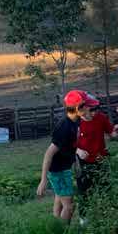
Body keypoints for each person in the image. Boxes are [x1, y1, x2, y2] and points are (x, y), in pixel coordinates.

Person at [37, 90, 85, 222]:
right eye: (83, 105)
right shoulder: (64, 127)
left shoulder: (76, 121)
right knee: (69, 206)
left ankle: (55, 226)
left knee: (60, 198)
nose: (86, 108)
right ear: (77, 108)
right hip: (57, 170)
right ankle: (63, 232)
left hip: (65, 168)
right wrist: (43, 180)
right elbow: (49, 153)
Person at [75, 92, 118, 195]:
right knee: (85, 191)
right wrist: (78, 150)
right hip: (83, 161)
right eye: (91, 110)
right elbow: (68, 143)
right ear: (83, 109)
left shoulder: (101, 117)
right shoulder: (76, 122)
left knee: (105, 189)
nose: (94, 112)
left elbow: (112, 135)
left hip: (101, 158)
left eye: (96, 109)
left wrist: (116, 132)